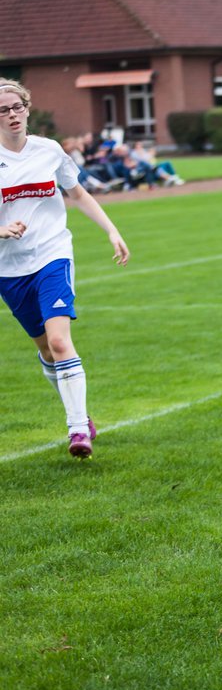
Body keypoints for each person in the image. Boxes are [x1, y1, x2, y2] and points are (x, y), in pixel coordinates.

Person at [0, 78, 130, 458]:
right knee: (44, 347)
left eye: (17, 107)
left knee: (60, 341)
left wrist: (111, 230)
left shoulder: (49, 150)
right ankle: (82, 415)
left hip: (52, 255)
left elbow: (77, 192)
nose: (12, 115)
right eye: (3, 110)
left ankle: (77, 430)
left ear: (27, 108)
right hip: (9, 269)